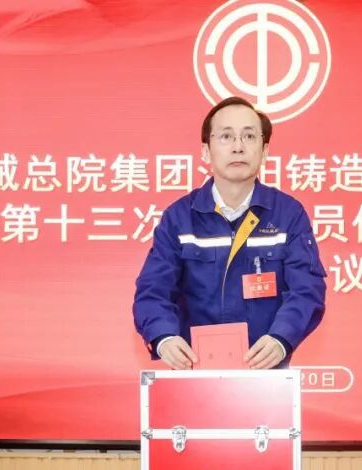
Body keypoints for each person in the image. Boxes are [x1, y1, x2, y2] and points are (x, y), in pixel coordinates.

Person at [133, 96, 326, 369]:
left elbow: (307, 288)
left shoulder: (288, 214)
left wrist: (281, 338)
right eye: (226, 136)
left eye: (249, 136)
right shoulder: (179, 218)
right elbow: (153, 290)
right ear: (206, 151)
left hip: (266, 371)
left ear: (264, 150)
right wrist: (163, 337)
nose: (238, 147)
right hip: (195, 370)